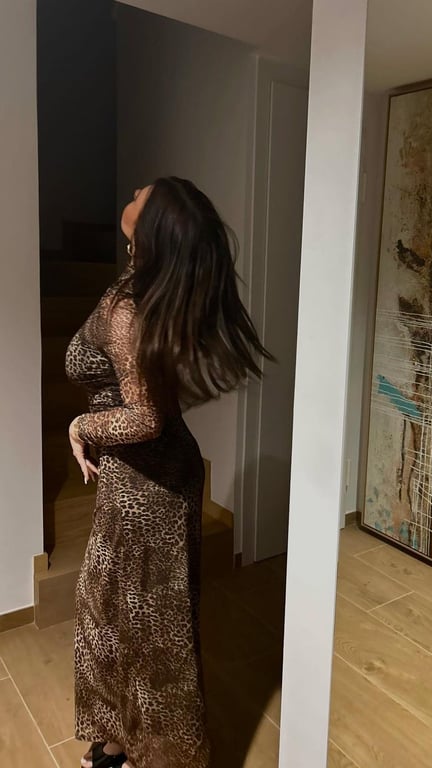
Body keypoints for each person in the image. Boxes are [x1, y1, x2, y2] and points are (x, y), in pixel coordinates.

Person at [65, 177, 272, 768]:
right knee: (114, 614)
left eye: (142, 196)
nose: (132, 191)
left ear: (149, 229)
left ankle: (165, 756)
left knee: (151, 632)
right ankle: (120, 737)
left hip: (149, 486)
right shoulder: (148, 284)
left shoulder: (130, 310)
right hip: (143, 475)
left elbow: (146, 417)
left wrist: (81, 425)